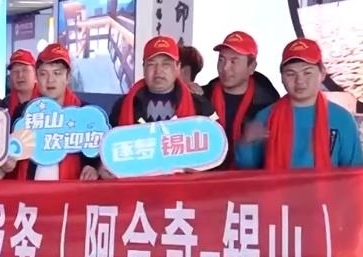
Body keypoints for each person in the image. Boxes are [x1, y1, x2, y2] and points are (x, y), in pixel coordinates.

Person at [235, 38, 362, 169]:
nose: (300, 81)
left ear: (322, 73)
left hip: (326, 184)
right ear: (282, 77)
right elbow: (247, 170)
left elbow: (355, 172)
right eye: (291, 74)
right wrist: (246, 142)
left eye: (307, 72)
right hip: (278, 183)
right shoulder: (265, 117)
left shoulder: (342, 119)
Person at [6, 44, 110, 181]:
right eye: (43, 74)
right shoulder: (23, 113)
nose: (50, 80)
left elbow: (100, 158)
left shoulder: (86, 114)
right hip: (29, 192)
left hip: (71, 192)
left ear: (68, 77)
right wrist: (7, 164)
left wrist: (94, 168)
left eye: (57, 73)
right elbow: (10, 157)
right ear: (37, 77)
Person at [200, 31, 280, 169]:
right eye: (221, 59)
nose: (225, 68)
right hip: (207, 178)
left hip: (249, 180)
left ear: (251, 67)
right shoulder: (202, 98)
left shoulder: (268, 106)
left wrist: (247, 143)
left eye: (234, 61)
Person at [110, 35, 216, 126]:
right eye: (151, 64)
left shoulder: (200, 106)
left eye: (166, 64)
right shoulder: (123, 106)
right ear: (144, 67)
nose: (158, 71)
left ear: (178, 67)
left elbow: (216, 137)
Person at [2, 49, 37, 119]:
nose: (20, 75)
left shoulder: (46, 101)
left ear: (35, 74)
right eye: (15, 71)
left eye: (25, 70)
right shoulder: (4, 105)